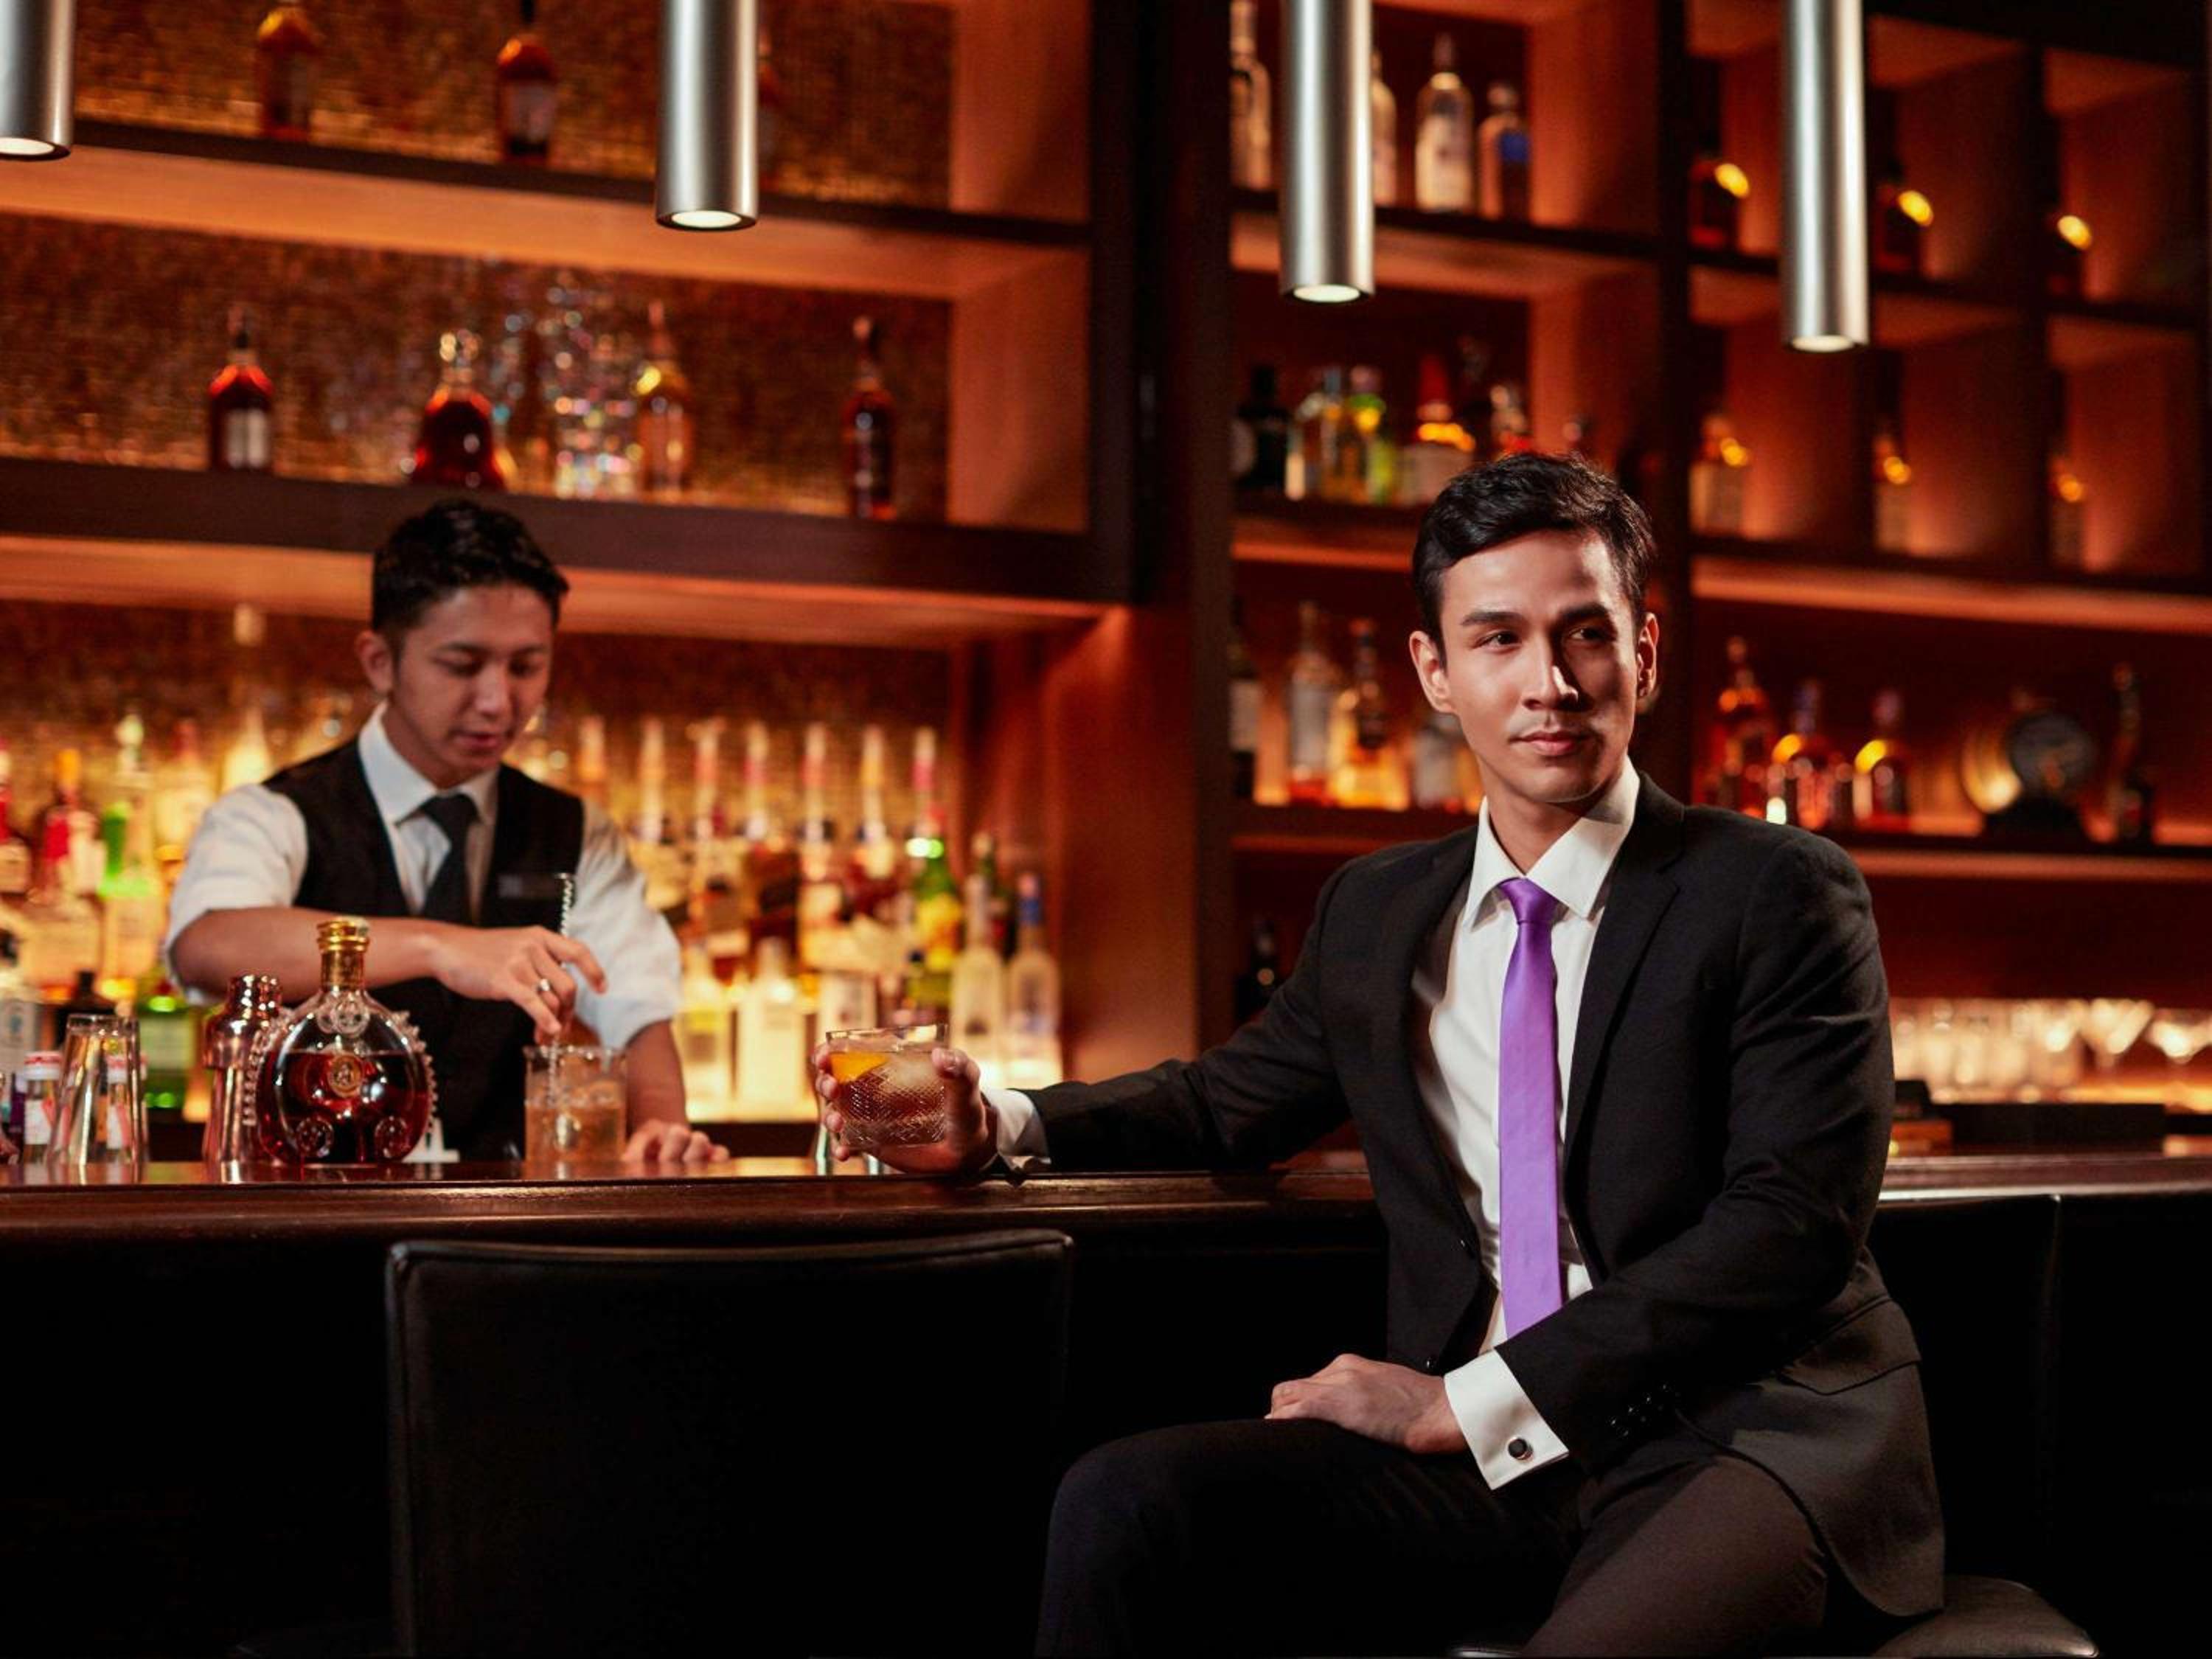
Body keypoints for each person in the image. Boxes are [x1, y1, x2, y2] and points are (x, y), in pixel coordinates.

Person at [815, 453, 1941, 1655]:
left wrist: (1466, 1397)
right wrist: (1001, 1123)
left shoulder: (1777, 889)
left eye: (1587, 633)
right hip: (1496, 1459)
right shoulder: (1379, 911)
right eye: (1499, 639)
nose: (1551, 683)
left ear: (1645, 652)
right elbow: (1223, 1101)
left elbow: (1790, 1227)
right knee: (1126, 1505)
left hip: (1738, 1437)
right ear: (1434, 672)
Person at [169, 498, 723, 1164]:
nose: (498, 701)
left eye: (526, 667)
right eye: (462, 665)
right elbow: (208, 944)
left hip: (504, 1214)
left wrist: (662, 1131)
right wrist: (441, 948)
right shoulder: (275, 813)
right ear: (380, 661)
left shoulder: (577, 833)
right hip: (316, 1209)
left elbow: (634, 1008)